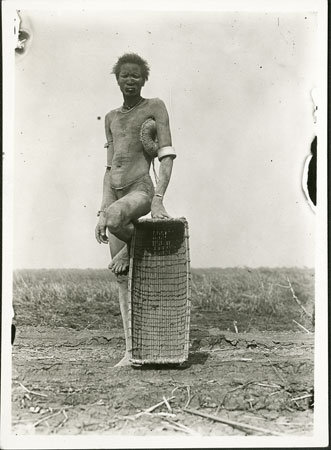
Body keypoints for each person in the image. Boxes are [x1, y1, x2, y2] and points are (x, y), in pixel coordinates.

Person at [95, 53, 176, 366]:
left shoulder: (154, 106)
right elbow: (108, 168)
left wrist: (158, 198)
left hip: (140, 190)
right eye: (124, 75)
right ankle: (131, 354)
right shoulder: (111, 118)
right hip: (114, 195)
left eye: (136, 76)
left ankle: (135, 247)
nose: (129, 80)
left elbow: (166, 156)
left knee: (116, 218)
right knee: (122, 280)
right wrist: (102, 209)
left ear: (144, 79)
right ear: (117, 79)